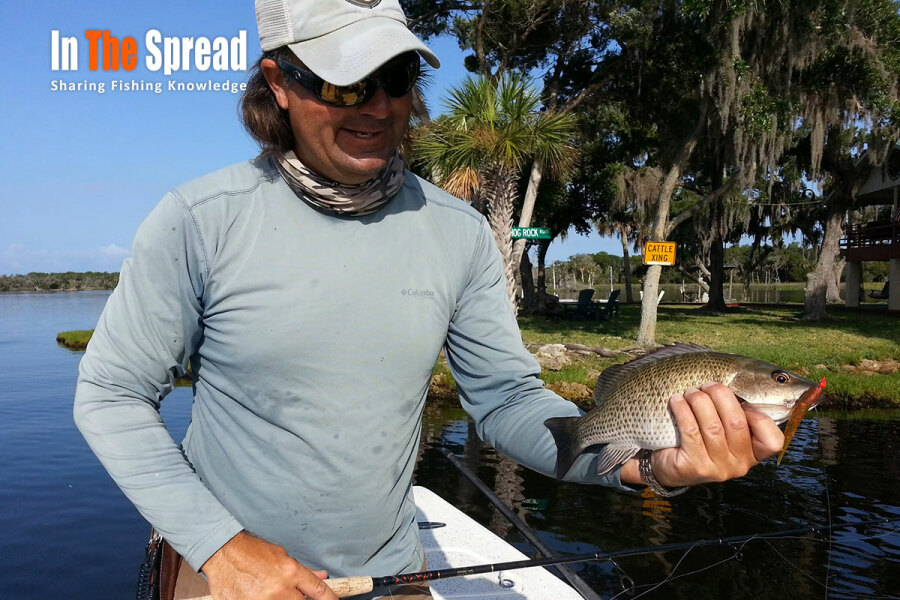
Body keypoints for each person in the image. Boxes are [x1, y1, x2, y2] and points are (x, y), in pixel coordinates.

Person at [73, 1, 785, 599]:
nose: (379, 107)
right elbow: (110, 394)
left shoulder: (456, 231)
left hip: (390, 574)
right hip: (227, 576)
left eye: (397, 78)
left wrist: (651, 466)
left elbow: (506, 400)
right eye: (346, 84)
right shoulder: (201, 219)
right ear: (279, 82)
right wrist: (222, 548)